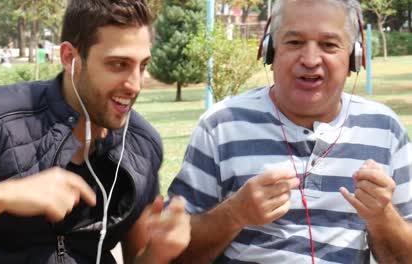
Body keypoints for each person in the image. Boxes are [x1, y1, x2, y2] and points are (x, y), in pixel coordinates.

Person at [0, 1, 190, 264]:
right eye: (119, 64)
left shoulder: (143, 144)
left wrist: (157, 253)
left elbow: (136, 259)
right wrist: (1, 197)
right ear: (70, 58)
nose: (135, 84)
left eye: (142, 66)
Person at [168, 0, 412, 263]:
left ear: (354, 56)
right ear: (270, 50)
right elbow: (172, 254)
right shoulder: (220, 125)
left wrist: (382, 216)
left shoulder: (385, 130)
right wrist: (234, 214)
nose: (309, 60)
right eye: (294, 42)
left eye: (328, 45)